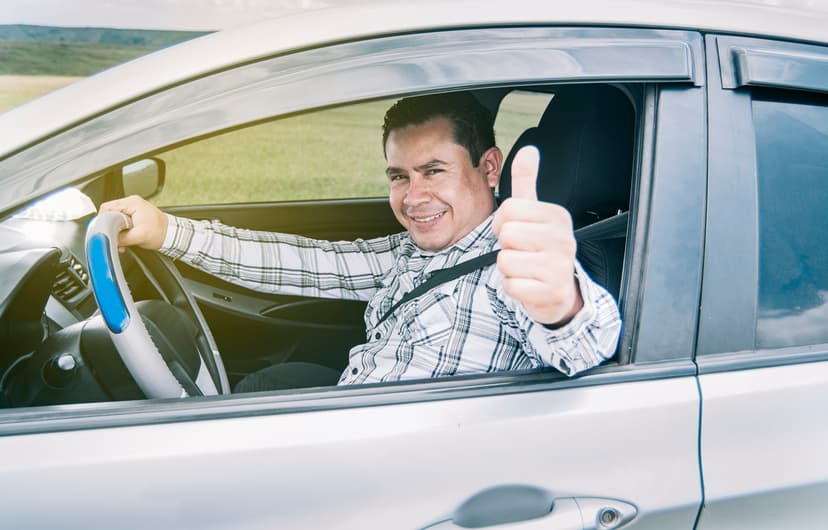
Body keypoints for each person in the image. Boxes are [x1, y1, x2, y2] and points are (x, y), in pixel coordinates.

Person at [101, 92, 621, 391]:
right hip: (351, 416)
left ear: (489, 168)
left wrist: (564, 305)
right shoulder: (414, 251)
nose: (413, 197)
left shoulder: (517, 264)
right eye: (399, 176)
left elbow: (586, 346)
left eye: (433, 171)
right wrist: (168, 232)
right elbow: (303, 263)